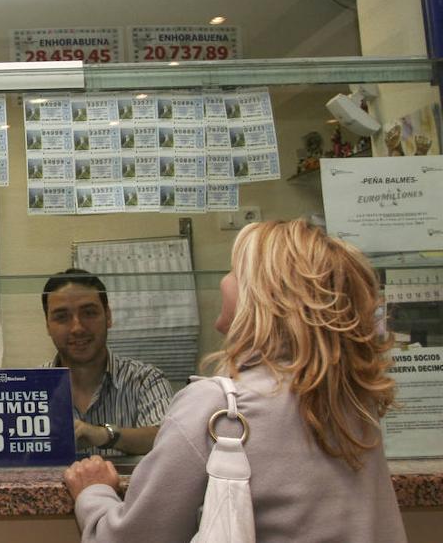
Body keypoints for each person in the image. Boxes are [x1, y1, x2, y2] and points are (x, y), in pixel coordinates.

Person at [63, 219, 404, 542]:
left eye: (234, 271)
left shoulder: (219, 407)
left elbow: (132, 538)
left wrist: (94, 492)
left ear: (264, 296)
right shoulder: (352, 398)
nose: (223, 280)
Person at [43, 268, 172, 457]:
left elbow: (169, 438)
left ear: (108, 316)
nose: (77, 328)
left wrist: (104, 435)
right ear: (47, 325)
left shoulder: (145, 380)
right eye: (62, 317)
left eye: (89, 313)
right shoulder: (28, 385)